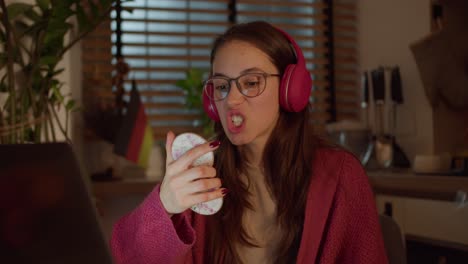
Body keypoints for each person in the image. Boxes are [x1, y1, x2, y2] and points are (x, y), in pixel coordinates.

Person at [111, 21, 388, 264]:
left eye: (252, 82)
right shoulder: (202, 175)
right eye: (222, 86)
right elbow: (127, 257)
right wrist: (165, 206)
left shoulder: (341, 175)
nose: (231, 100)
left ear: (291, 90)